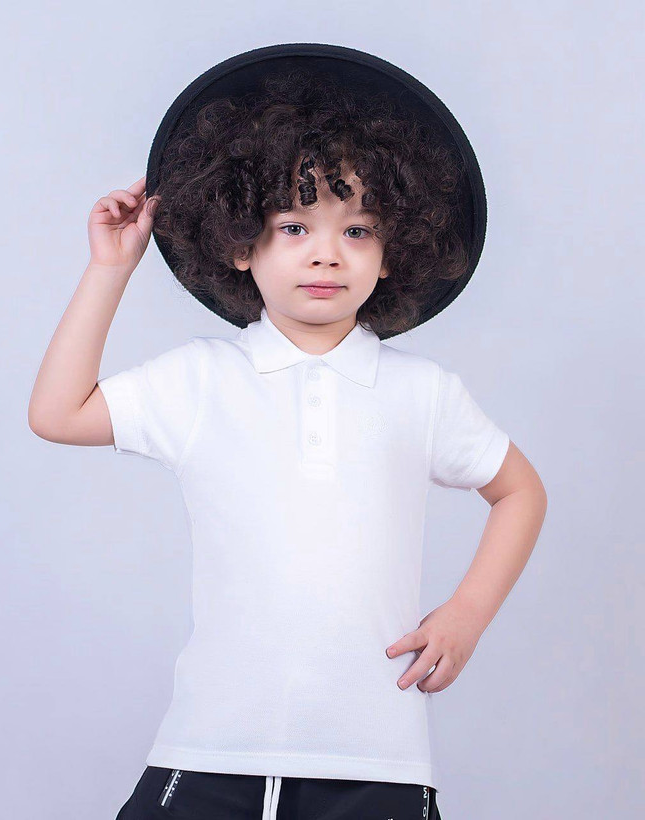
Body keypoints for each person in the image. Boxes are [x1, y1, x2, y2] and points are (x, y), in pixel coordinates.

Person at [28, 45, 547, 820]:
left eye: (358, 230)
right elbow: (57, 413)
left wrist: (467, 613)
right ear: (242, 242)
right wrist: (110, 270)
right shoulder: (201, 380)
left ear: (390, 252)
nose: (326, 253)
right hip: (211, 752)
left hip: (377, 764)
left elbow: (520, 492)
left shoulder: (423, 393)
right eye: (295, 224)